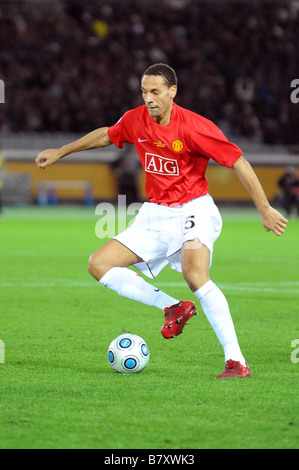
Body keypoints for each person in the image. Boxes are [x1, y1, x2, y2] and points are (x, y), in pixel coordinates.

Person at [35, 63, 288, 379]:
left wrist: (264, 208)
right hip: (155, 213)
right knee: (98, 264)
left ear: (172, 92)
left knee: (195, 274)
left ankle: (235, 361)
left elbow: (239, 162)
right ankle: (173, 307)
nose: (149, 98)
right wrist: (62, 151)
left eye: (155, 91)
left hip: (194, 209)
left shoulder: (194, 127)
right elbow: (106, 135)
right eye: (144, 91)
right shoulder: (135, 120)